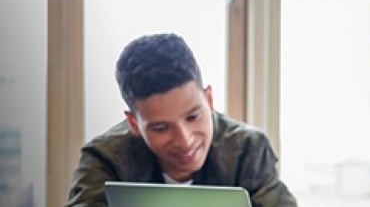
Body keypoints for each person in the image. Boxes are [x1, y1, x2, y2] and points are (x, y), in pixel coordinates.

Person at [67, 33, 297, 206]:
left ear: (209, 100)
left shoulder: (248, 150)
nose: (185, 140)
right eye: (161, 128)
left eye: (193, 117)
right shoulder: (105, 159)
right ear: (134, 124)